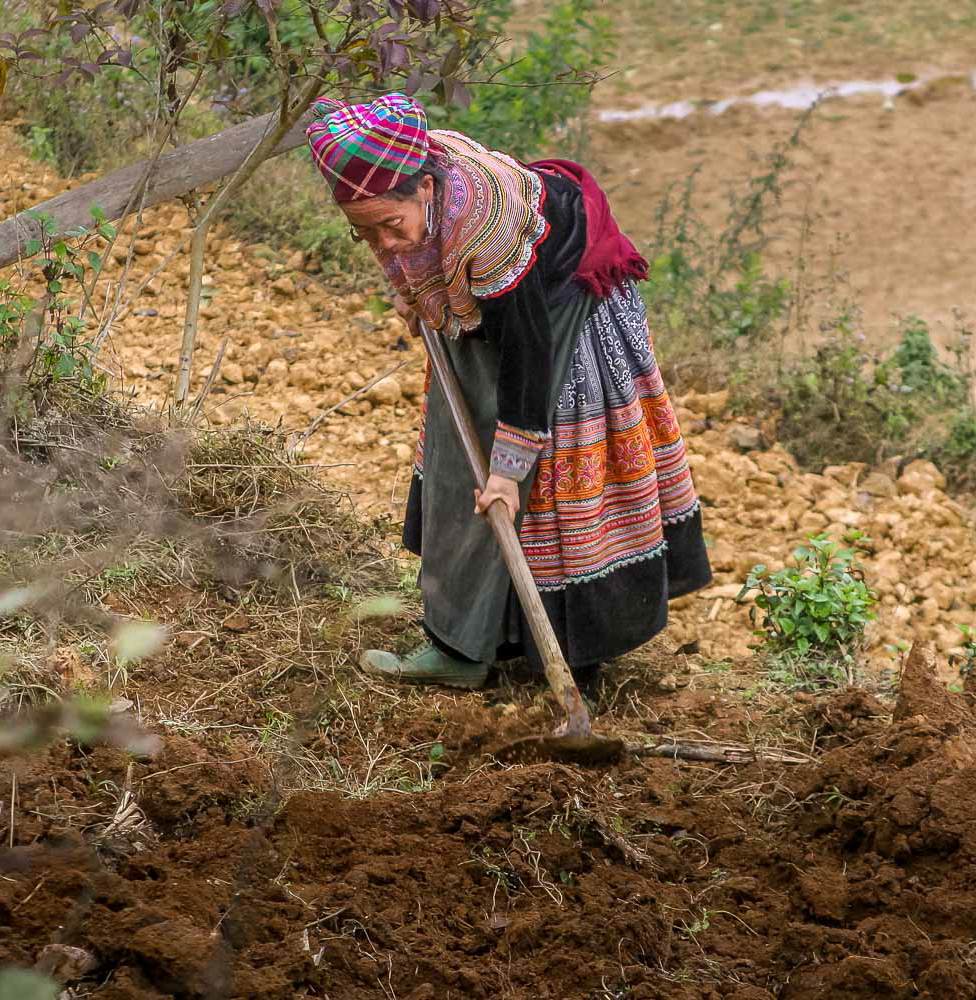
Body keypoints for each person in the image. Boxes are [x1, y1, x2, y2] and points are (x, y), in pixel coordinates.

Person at [304, 93, 712, 689]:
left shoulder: (486, 223)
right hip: (494, 301)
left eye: (391, 226)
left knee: (551, 482)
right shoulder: (405, 195)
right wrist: (414, 289)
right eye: (366, 232)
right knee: (456, 456)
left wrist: (510, 466)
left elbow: (526, 350)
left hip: (565, 306)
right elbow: (401, 248)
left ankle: (577, 671)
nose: (384, 244)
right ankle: (459, 649)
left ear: (424, 189)